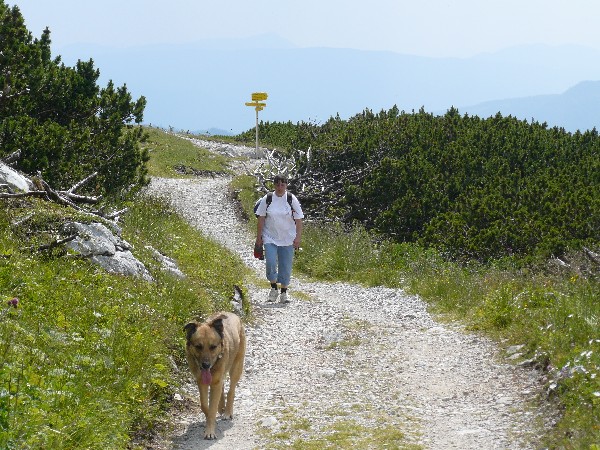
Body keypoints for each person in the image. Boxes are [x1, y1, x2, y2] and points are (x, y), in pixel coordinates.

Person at [255, 174, 304, 303]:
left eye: (283, 184)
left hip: (288, 237)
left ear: (286, 185)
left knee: (285, 265)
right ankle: (273, 288)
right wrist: (259, 238)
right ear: (274, 185)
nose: (280, 187)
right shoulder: (268, 199)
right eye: (278, 184)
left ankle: (284, 292)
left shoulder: (291, 199)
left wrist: (298, 238)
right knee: (271, 261)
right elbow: (261, 218)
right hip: (269, 236)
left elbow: (299, 220)